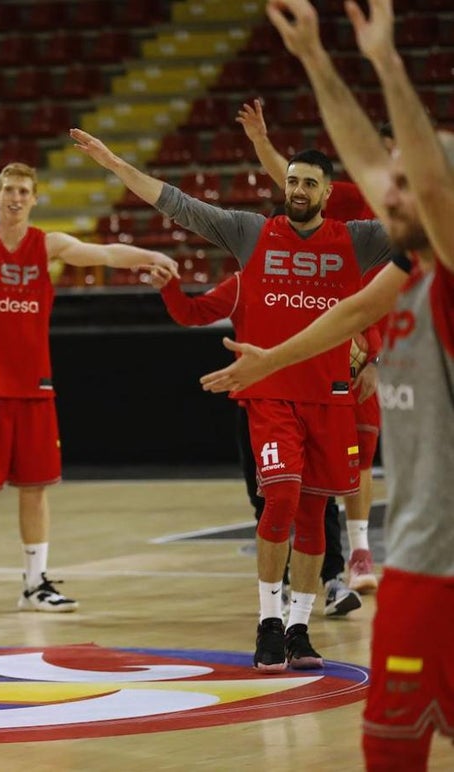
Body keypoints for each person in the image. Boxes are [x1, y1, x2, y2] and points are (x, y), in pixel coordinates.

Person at [199, 0, 454, 766]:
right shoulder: (403, 267)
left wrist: (385, 64)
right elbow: (341, 315)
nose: (388, 193)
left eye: (409, 185)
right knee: (387, 749)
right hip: (419, 566)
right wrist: (315, 58)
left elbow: (427, 186)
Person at [70, 129, 391, 674]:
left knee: (314, 516)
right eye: (291, 180)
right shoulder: (251, 232)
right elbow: (178, 204)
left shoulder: (356, 239)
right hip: (270, 394)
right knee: (282, 499)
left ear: (327, 191)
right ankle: (268, 622)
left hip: (330, 398)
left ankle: (299, 628)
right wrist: (114, 162)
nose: (297, 189)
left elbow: (428, 223)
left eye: (308, 182)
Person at [0, 162, 179, 618]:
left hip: (33, 386)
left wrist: (150, 256)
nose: (15, 197)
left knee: (36, 488)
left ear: (34, 198)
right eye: (8, 190)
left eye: (23, 191)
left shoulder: (48, 244)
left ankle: (35, 582)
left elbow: (104, 254)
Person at [145, 265, 362, 618]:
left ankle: (332, 580)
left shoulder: (325, 276)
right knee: (269, 498)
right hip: (262, 404)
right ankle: (282, 591)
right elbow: (192, 313)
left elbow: (361, 314)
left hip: (316, 400)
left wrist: (373, 359)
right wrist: (170, 287)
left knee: (318, 500)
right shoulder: (245, 281)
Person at [238, 96, 389, 593]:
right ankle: (346, 565)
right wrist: (261, 142)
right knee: (314, 479)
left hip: (382, 330)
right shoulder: (349, 197)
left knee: (354, 457)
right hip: (341, 335)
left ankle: (350, 558)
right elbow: (295, 179)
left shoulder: (407, 214)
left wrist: (377, 354)